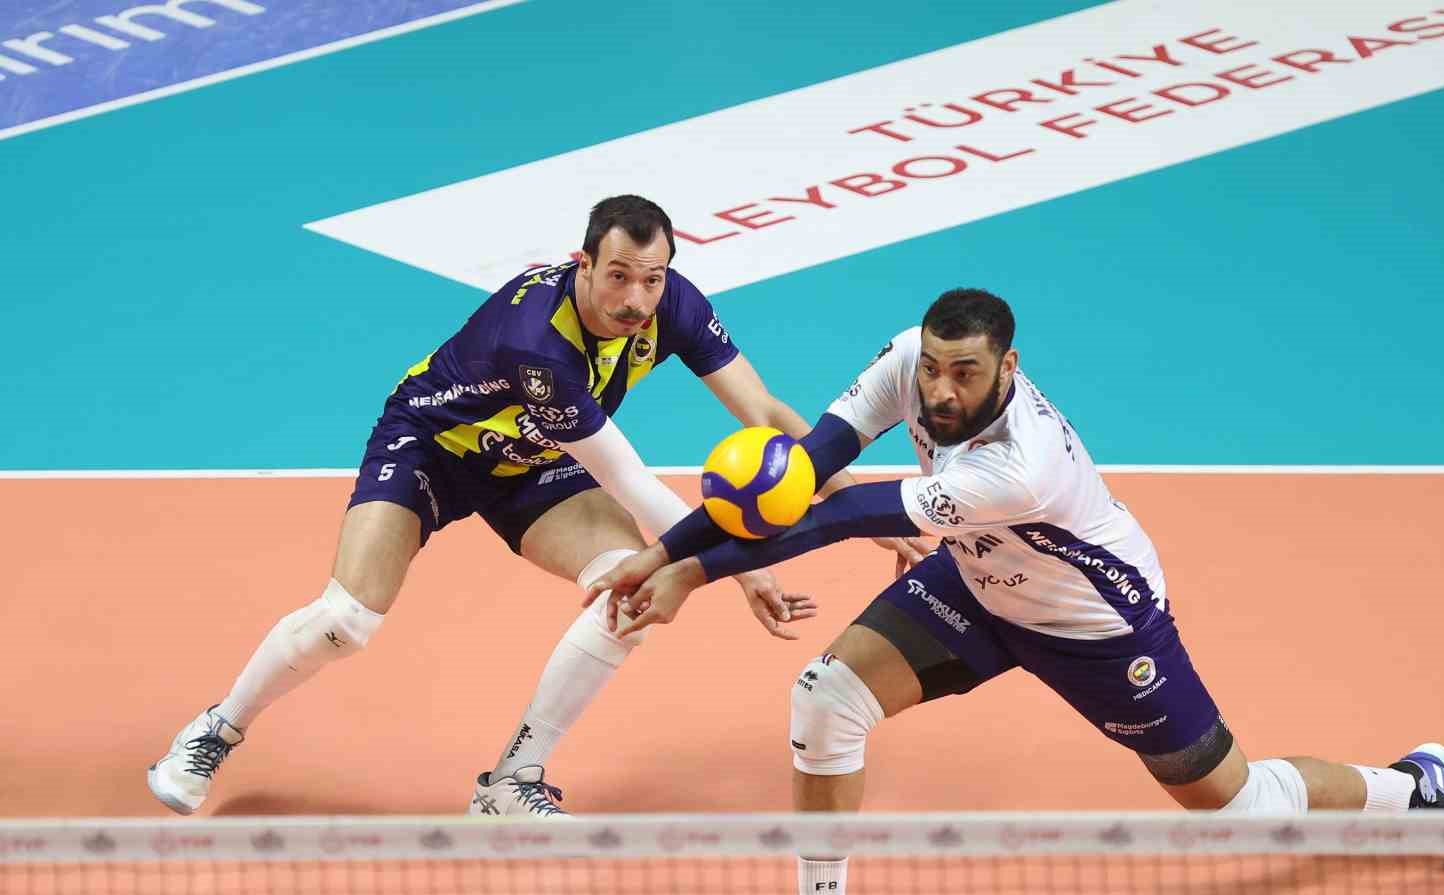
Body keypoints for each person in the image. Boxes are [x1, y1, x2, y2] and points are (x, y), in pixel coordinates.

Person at [585, 287, 1444, 895]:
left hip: (1096, 624)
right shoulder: (910, 361)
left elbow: (837, 517)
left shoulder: (1016, 467)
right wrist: (666, 552)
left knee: (1235, 805)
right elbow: (812, 465)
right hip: (977, 583)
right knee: (828, 699)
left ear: (1008, 367)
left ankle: (1422, 786)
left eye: (966, 374)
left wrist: (688, 570)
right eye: (934, 369)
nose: (942, 392)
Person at [147, 194, 928, 819]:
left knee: (630, 592)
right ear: (583, 264)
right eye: (618, 276)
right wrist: (739, 567)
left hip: (537, 464)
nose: (636, 299)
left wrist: (861, 510)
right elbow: (628, 479)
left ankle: (510, 782)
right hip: (434, 448)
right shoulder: (537, 342)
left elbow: (763, 411)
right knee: (346, 620)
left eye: (652, 279)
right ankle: (217, 728)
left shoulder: (675, 306)